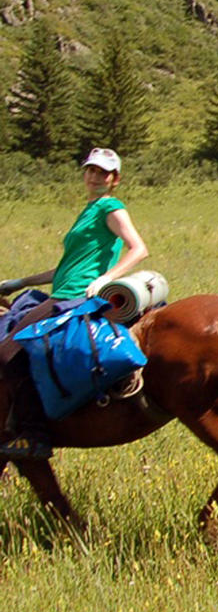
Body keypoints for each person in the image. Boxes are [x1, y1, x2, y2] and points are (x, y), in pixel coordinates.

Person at [0, 148, 150, 458]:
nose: (95, 177)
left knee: (7, 351)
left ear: (115, 180)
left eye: (103, 173)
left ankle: (33, 433)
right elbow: (67, 267)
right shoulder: (89, 210)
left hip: (75, 296)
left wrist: (107, 278)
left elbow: (138, 249)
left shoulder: (110, 206)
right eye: (91, 171)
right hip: (63, 289)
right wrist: (24, 282)